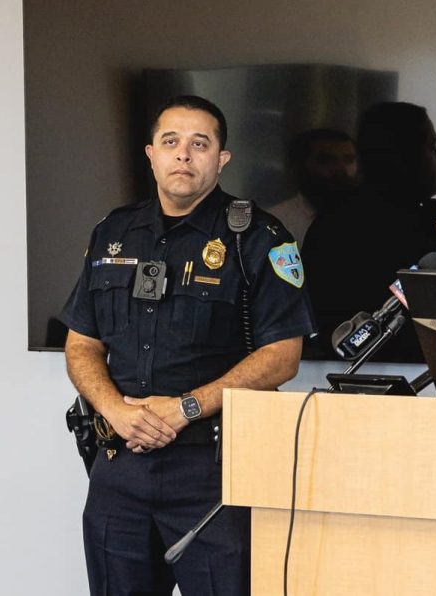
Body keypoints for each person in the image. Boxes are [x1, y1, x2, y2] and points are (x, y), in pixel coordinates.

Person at [60, 95, 314, 595]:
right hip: (119, 464)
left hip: (215, 472)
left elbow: (282, 356)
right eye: (171, 141)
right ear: (151, 154)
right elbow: (81, 344)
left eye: (200, 144)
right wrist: (115, 410)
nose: (183, 154)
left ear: (222, 159)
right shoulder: (112, 232)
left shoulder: (259, 237)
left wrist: (185, 408)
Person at [303, 102, 436, 360]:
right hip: (367, 374)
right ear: (404, 153)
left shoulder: (424, 218)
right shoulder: (345, 226)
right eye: (430, 147)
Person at [270, 127, 358, 245]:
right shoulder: (276, 224)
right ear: (299, 167)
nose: (341, 170)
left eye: (349, 160)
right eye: (326, 161)